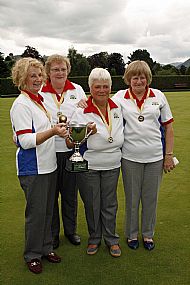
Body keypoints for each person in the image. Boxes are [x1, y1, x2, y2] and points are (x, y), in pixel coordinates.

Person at [10, 57, 68, 274]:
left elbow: (36, 131)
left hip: (48, 165)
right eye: (32, 75)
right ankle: (32, 255)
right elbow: (25, 140)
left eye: (39, 75)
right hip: (33, 168)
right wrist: (53, 131)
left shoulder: (39, 100)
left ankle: (46, 248)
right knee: (36, 214)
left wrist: (56, 127)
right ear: (21, 78)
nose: (37, 79)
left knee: (47, 212)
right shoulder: (22, 104)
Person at [113, 60, 175, 250]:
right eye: (134, 77)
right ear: (128, 79)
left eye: (141, 77)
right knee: (132, 199)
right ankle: (132, 235)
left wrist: (168, 155)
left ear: (147, 78)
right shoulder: (119, 97)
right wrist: (85, 100)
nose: (138, 81)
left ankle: (148, 235)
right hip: (130, 157)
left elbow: (169, 128)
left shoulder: (159, 96)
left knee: (150, 199)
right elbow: (101, 106)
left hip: (155, 157)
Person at [67, 68, 124, 257]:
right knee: (92, 204)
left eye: (105, 86)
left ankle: (111, 239)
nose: (102, 90)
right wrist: (85, 132)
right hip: (89, 164)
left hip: (113, 164)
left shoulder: (118, 107)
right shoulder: (81, 110)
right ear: (90, 88)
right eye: (97, 86)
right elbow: (70, 142)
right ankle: (94, 238)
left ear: (111, 87)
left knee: (109, 203)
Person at [39, 54, 87, 248]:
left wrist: (85, 105)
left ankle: (71, 231)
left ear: (68, 70)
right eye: (55, 69)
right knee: (51, 196)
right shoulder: (40, 91)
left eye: (63, 69)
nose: (60, 72)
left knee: (70, 194)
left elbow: (85, 115)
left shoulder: (77, 89)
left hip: (70, 149)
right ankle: (53, 234)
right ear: (48, 72)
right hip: (48, 150)